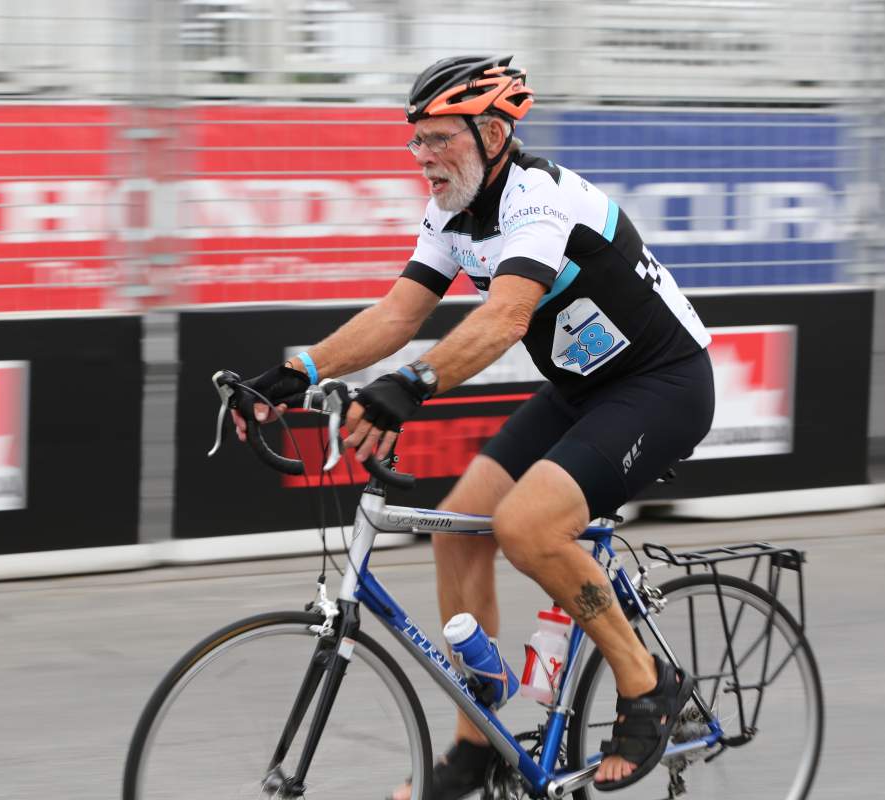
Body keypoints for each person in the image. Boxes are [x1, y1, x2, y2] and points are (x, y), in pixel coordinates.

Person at [232, 54, 715, 798]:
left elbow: (507, 314)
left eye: (438, 140)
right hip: (583, 390)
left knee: (527, 527)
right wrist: (301, 370)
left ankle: (647, 684)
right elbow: (399, 314)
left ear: (493, 132)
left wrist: (414, 385)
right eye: (415, 141)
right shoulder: (452, 212)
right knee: (461, 524)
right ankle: (479, 743)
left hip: (661, 384)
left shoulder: (540, 200)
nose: (422, 158)